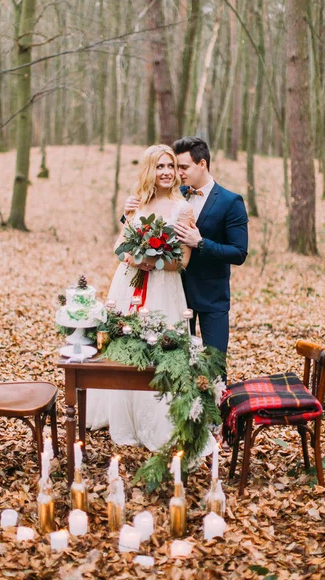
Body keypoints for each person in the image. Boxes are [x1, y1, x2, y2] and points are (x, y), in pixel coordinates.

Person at [86, 144, 194, 450]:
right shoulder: (135, 204)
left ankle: (158, 417)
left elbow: (182, 261)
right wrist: (135, 257)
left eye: (170, 166)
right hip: (128, 284)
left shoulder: (182, 208)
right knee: (125, 348)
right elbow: (119, 246)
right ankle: (124, 416)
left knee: (160, 350)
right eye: (159, 166)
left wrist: (155, 260)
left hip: (163, 287)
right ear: (149, 170)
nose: (166, 172)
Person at [123, 136, 248, 358]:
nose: (177, 173)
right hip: (175, 291)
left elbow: (239, 253)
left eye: (183, 167)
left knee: (214, 363)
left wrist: (200, 243)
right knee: (175, 361)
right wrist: (127, 216)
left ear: (202, 164)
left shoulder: (231, 201)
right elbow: (146, 224)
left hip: (212, 296)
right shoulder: (173, 195)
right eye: (175, 166)